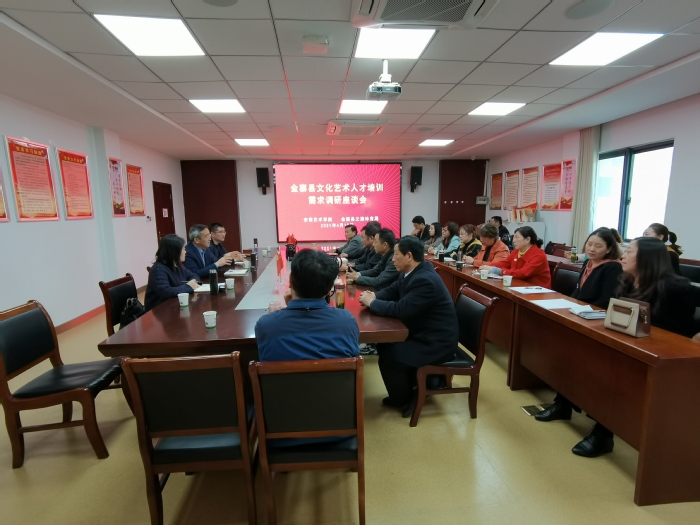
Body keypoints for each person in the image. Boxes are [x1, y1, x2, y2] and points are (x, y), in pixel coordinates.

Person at [539, 237, 700, 458]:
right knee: (576, 353)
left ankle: (603, 434)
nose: (623, 256)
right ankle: (563, 403)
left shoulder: (674, 286)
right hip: (630, 343)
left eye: (629, 252)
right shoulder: (628, 280)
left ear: (646, 258)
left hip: (665, 357)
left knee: (610, 375)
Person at [358, 235, 458, 416]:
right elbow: (394, 289)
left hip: (437, 342)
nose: (392, 259)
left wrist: (372, 303)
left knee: (391, 357)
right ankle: (415, 385)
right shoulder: (413, 270)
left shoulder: (424, 280)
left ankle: (404, 398)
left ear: (409, 256)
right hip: (424, 333)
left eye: (396, 254)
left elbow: (401, 310)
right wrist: (374, 296)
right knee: (385, 345)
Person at [534, 228, 623, 427]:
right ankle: (562, 403)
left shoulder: (612, 268)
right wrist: (567, 305)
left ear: (609, 249)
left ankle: (567, 404)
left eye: (598, 246)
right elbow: (578, 292)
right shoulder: (588, 263)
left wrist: (578, 308)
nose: (592, 249)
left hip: (595, 322)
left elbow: (606, 300)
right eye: (589, 244)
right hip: (578, 316)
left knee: (576, 363)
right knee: (564, 359)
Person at [255, 249, 359, 361]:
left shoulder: (266, 326)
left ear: (290, 280)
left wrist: (287, 310)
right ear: (330, 289)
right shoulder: (346, 323)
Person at [144, 234, 200, 311]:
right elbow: (166, 292)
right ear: (174, 252)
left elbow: (193, 275)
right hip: (159, 310)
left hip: (175, 305)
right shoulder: (158, 269)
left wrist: (192, 282)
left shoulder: (177, 264)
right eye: (183, 249)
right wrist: (189, 286)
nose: (185, 252)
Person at [481, 226, 551, 287]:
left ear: (527, 240)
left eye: (517, 237)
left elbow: (523, 273)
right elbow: (504, 263)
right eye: (514, 237)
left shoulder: (539, 255)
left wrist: (498, 271)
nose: (514, 241)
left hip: (536, 290)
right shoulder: (516, 252)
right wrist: (488, 267)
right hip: (518, 285)